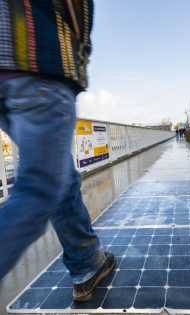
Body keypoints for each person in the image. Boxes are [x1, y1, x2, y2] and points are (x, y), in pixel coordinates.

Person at [0, 0, 115, 302]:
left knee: (60, 177)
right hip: (38, 65)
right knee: (38, 191)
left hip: (6, 77)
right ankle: (87, 264)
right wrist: (82, 52)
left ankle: (87, 262)